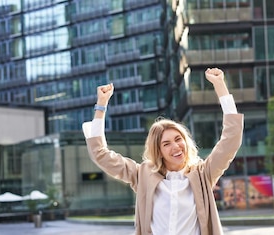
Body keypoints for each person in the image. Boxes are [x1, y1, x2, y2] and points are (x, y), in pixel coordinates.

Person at [82, 68, 243, 235]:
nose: (175, 147)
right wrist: (101, 106)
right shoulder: (142, 175)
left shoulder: (203, 174)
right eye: (166, 144)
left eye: (178, 139)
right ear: (158, 151)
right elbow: (100, 155)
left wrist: (220, 86)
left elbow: (230, 141)